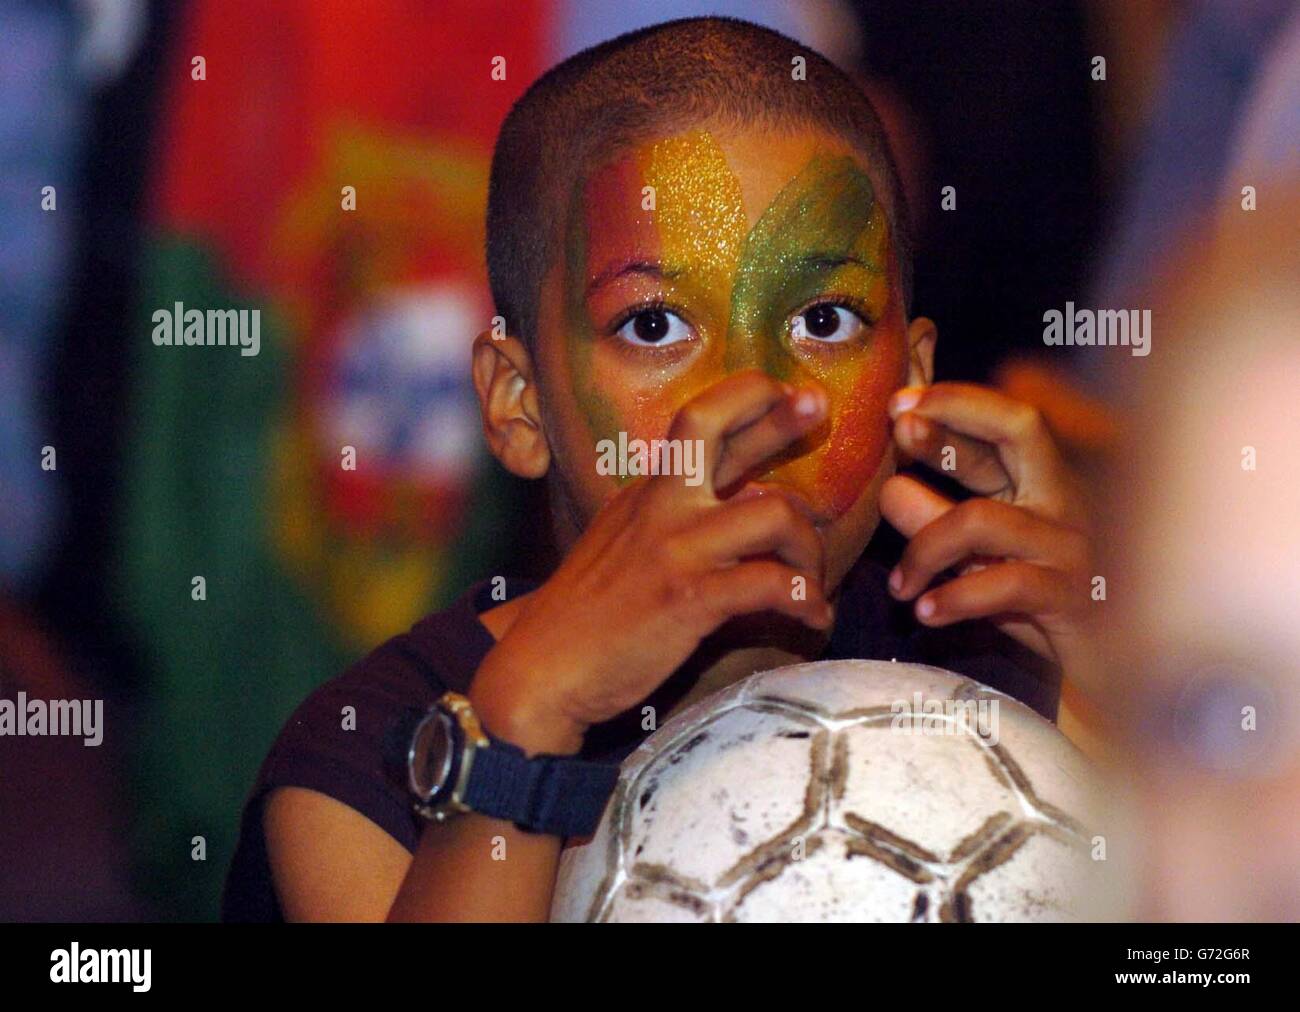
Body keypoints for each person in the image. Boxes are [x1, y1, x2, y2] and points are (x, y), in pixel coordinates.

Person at [223, 16, 1094, 923]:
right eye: (654, 327)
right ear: (520, 406)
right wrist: (525, 726)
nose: (752, 396)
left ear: (910, 383)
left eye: (825, 321)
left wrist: (1133, 673)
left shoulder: (992, 672)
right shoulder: (367, 761)